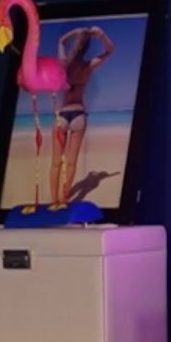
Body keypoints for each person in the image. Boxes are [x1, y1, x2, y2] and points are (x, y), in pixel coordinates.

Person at [50, 26, 114, 207]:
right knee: (71, 163)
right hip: (78, 113)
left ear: (75, 46)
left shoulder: (64, 64)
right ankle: (64, 200)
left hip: (63, 114)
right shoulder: (88, 66)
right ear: (86, 48)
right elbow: (109, 51)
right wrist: (101, 34)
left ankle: (54, 201)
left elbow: (61, 41)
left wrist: (75, 32)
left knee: (56, 164)